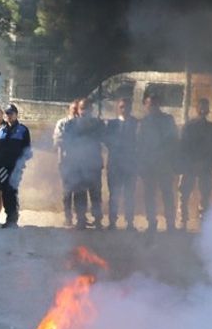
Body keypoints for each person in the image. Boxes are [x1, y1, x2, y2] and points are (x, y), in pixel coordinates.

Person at [53, 98, 105, 229]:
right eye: (82, 108)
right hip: (76, 164)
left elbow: (104, 139)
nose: (84, 111)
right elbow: (62, 141)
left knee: (95, 194)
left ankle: (98, 220)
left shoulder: (98, 124)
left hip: (93, 164)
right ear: (78, 110)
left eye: (87, 108)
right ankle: (80, 220)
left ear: (91, 110)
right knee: (79, 193)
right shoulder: (69, 124)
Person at [137, 92, 178, 233]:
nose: (152, 106)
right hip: (148, 165)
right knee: (149, 195)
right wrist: (141, 165)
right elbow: (139, 145)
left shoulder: (168, 120)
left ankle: (170, 224)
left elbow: (173, 141)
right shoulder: (143, 122)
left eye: (154, 103)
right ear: (145, 105)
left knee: (167, 194)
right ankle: (151, 223)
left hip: (164, 164)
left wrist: (170, 160)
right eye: (149, 104)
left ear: (159, 104)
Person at [177, 98, 212, 229]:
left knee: (205, 194)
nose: (202, 110)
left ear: (208, 110)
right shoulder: (188, 126)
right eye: (200, 107)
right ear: (196, 109)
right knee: (184, 194)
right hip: (190, 166)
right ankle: (183, 219)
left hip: (205, 166)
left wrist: (209, 163)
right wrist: (188, 163)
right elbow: (183, 146)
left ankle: (203, 220)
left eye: (205, 108)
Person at [104, 97, 138, 230]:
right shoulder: (112, 124)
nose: (124, 109)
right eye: (122, 106)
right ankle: (112, 222)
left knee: (129, 195)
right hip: (115, 165)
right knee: (114, 195)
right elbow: (107, 141)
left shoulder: (136, 123)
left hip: (130, 165)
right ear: (118, 108)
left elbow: (139, 141)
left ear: (130, 108)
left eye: (127, 106)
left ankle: (130, 222)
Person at [0, 104, 32, 228]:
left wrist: (21, 162)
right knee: (5, 191)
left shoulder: (23, 130)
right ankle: (9, 216)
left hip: (16, 166)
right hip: (2, 167)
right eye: (6, 113)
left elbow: (27, 150)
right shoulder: (1, 129)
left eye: (11, 113)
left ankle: (13, 218)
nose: (8, 116)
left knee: (12, 190)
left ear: (16, 114)